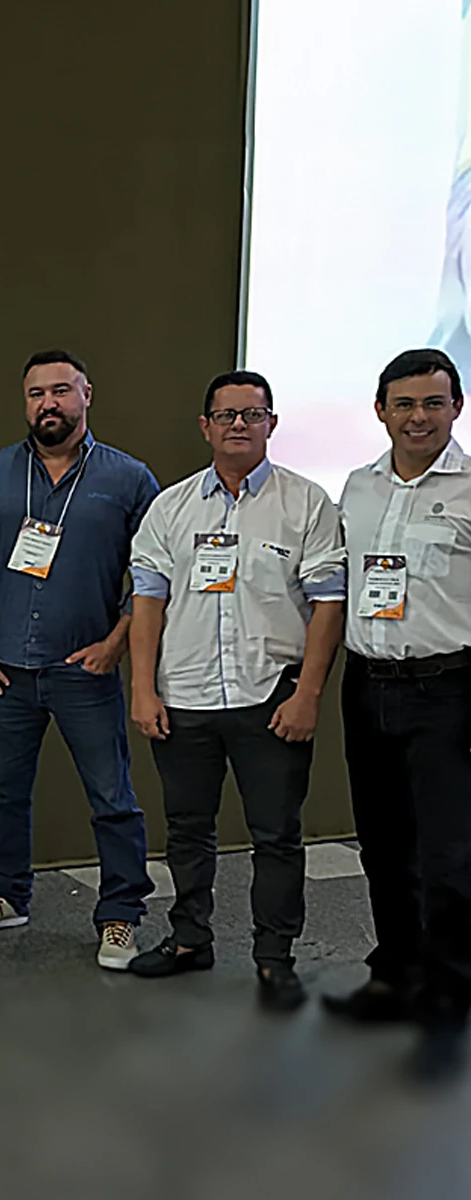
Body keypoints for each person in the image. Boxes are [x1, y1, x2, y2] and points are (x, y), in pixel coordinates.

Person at [125, 370, 345, 1009]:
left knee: (276, 836)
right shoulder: (170, 508)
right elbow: (147, 603)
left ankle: (274, 957)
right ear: (206, 427)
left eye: (252, 414)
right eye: (226, 415)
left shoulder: (307, 504)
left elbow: (328, 605)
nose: (239, 425)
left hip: (270, 698)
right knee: (187, 830)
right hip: (184, 694)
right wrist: (143, 689)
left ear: (272, 423)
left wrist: (307, 695)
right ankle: (190, 938)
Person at [0, 349, 160, 970]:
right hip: (5, 668)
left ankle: (120, 915)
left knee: (112, 796)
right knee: (2, 789)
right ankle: (6, 894)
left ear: (86, 394)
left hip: (84, 669)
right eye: (37, 393)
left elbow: (152, 575)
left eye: (61, 391)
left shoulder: (129, 479)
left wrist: (117, 642)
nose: (49, 404)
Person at [327, 348, 471, 1082]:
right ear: (381, 410)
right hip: (368, 685)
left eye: (433, 403)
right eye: (405, 404)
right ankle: (395, 978)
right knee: (383, 847)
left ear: (457, 408)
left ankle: (447, 1002)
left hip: (449, 690)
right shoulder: (358, 486)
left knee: (450, 860)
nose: (419, 417)